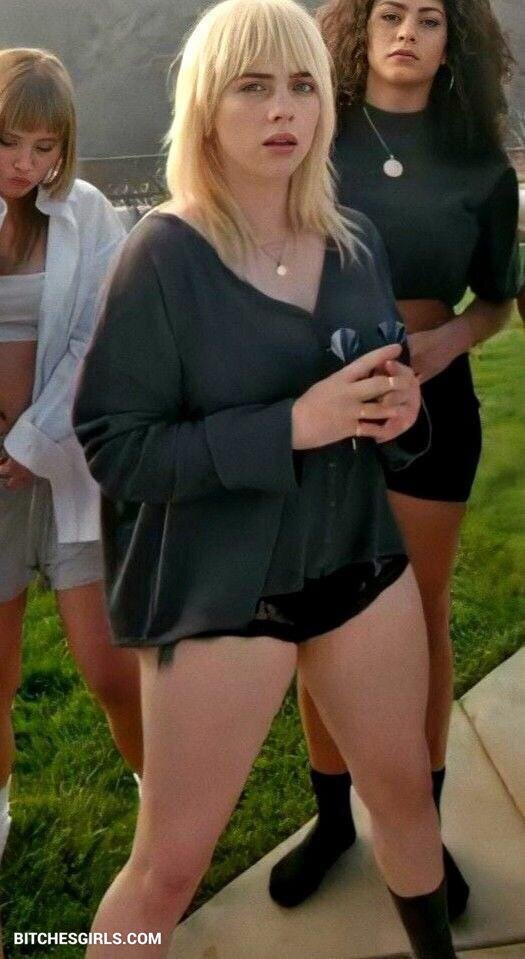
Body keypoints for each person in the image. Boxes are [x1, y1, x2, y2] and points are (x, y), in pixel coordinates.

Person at [73, 1, 461, 956]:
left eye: (300, 86)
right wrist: (288, 426)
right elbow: (117, 446)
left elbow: (381, 406)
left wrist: (401, 416)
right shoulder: (163, 255)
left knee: (405, 797)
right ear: (206, 107)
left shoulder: (355, 240)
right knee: (169, 865)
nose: (282, 108)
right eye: (252, 87)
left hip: (358, 565)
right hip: (221, 591)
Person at [269, 0, 521, 919]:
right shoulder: (312, 138)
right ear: (360, 29)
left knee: (419, 617)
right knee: (318, 614)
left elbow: (496, 300)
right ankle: (333, 820)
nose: (407, 31)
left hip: (433, 408)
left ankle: (419, 823)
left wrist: (450, 339)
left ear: (453, 42)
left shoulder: (480, 165)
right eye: (389, 13)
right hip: (318, 403)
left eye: (428, 18)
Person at [0, 48, 143, 866]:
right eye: (8, 142)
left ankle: (159, 800)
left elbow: (100, 336)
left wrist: (33, 441)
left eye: (44, 146)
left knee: (112, 670)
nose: (25, 164)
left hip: (68, 472)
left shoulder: (87, 214)